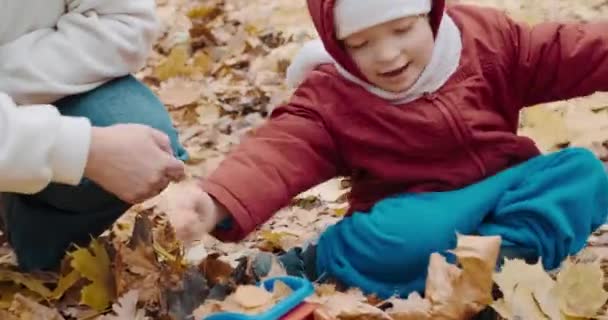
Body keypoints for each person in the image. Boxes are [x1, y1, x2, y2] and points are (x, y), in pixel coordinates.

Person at [167, 0, 608, 298]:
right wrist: (214, 200)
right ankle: (316, 262)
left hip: (500, 193)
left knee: (582, 172)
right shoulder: (333, 95)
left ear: (429, 13)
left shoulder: (483, 41)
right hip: (407, 216)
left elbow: (564, 52)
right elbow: (279, 151)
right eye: (360, 43)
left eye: (402, 29)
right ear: (338, 45)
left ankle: (501, 261)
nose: (387, 54)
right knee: (418, 234)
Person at [0, 0, 188, 271]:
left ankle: (38, 239)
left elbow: (126, 24)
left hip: (37, 84)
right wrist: (83, 149)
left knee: (139, 132)